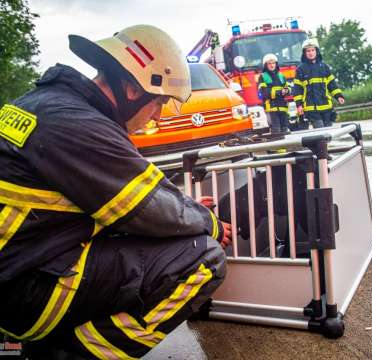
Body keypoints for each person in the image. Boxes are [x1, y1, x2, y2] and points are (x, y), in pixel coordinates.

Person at [0, 25, 232, 359]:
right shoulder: (81, 125)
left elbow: (115, 201)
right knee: (204, 258)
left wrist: (183, 209)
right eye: (159, 103)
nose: (157, 115)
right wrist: (209, 223)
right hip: (24, 293)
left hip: (19, 266)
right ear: (132, 89)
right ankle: (70, 353)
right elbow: (147, 206)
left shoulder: (45, 104)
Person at [293, 38, 345, 128]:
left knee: (328, 133)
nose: (311, 52)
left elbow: (331, 84)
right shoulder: (300, 69)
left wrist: (338, 96)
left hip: (326, 106)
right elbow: (297, 90)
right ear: (305, 53)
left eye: (313, 50)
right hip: (311, 108)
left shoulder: (324, 67)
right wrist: (299, 105)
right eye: (308, 51)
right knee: (320, 131)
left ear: (316, 51)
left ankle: (324, 142)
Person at [258, 53, 290, 133]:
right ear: (266, 65)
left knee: (285, 130)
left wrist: (287, 90)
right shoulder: (263, 77)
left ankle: (286, 146)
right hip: (271, 109)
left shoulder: (281, 76)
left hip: (283, 107)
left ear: (276, 64)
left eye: (273, 63)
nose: (272, 65)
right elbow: (264, 93)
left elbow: (289, 87)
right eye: (269, 63)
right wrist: (279, 92)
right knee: (276, 131)